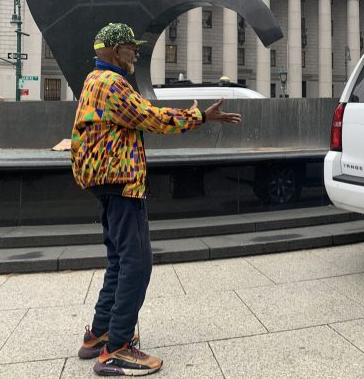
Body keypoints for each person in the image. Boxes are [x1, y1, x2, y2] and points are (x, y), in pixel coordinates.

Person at [71, 22, 240, 376]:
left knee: (119, 259)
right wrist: (199, 117)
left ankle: (99, 332)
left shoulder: (92, 80)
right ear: (116, 52)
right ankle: (117, 347)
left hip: (105, 181)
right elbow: (149, 117)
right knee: (137, 261)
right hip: (121, 182)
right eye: (132, 47)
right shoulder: (112, 83)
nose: (136, 52)